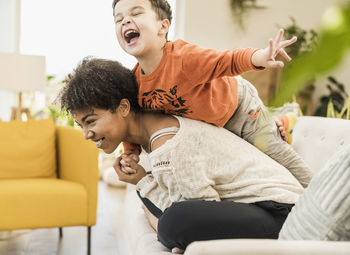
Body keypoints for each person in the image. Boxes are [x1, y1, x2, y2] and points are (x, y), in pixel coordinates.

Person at [58, 57, 304, 253]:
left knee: (174, 221)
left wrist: (144, 185)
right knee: (170, 216)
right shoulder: (157, 132)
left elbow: (203, 210)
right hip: (262, 207)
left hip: (281, 212)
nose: (86, 134)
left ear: (123, 108)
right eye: (81, 125)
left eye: (90, 121)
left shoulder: (169, 143)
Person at [112, 0, 313, 187]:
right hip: (212, 128)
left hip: (239, 110)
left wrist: (261, 56)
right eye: (118, 19)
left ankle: (327, 198)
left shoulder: (184, 58)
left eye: (136, 13)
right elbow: (133, 121)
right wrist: (130, 153)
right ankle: (279, 119)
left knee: (280, 159)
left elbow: (229, 60)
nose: (126, 20)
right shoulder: (134, 84)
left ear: (163, 27)